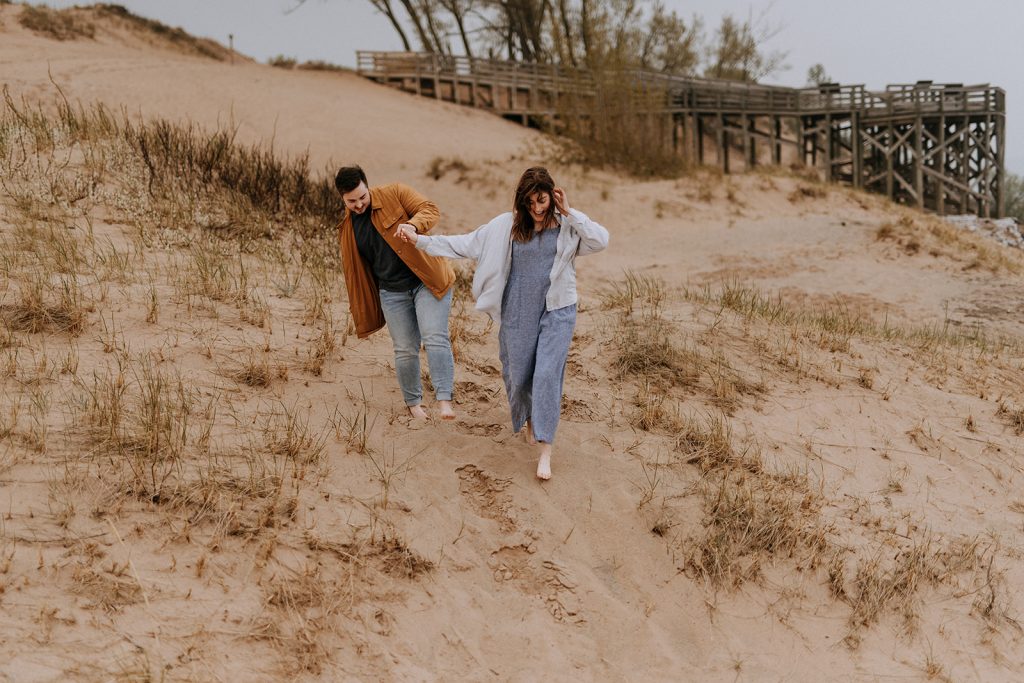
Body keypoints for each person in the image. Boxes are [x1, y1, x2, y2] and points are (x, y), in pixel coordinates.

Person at [396, 167, 609, 480]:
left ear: (552, 196)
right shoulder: (505, 227)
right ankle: (530, 421)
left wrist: (569, 211)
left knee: (548, 373)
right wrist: (421, 241)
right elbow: (463, 244)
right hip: (518, 308)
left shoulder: (567, 226)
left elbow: (600, 240)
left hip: (557, 309)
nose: (538, 208)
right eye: (531, 202)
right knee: (518, 373)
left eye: (543, 200)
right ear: (522, 202)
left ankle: (545, 450)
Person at [335, 165, 456, 420]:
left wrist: (413, 225)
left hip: (426, 280)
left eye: (362, 197)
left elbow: (430, 210)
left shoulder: (395, 193)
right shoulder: (346, 228)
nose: (358, 205)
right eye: (351, 201)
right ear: (342, 198)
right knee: (404, 348)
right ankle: (414, 405)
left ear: (368, 187)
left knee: (434, 337)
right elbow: (357, 271)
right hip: (392, 292)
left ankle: (444, 400)